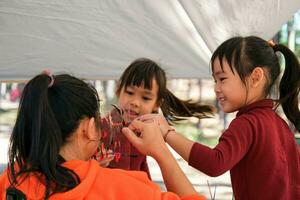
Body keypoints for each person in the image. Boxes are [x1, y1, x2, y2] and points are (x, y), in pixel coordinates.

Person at [138, 36, 300, 199]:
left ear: (256, 77)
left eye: (222, 79)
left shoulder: (247, 123)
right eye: (215, 80)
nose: (216, 88)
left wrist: (167, 133)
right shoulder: (280, 124)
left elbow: (215, 163)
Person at [0, 72, 206, 200]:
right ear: (89, 128)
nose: (135, 103)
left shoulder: (12, 179)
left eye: (145, 97)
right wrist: (162, 152)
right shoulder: (124, 188)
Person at [98, 58, 214, 178]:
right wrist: (96, 165)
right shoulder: (100, 128)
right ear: (118, 91)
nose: (135, 102)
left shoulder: (146, 131)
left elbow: (142, 169)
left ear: (157, 104)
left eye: (146, 98)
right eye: (130, 92)